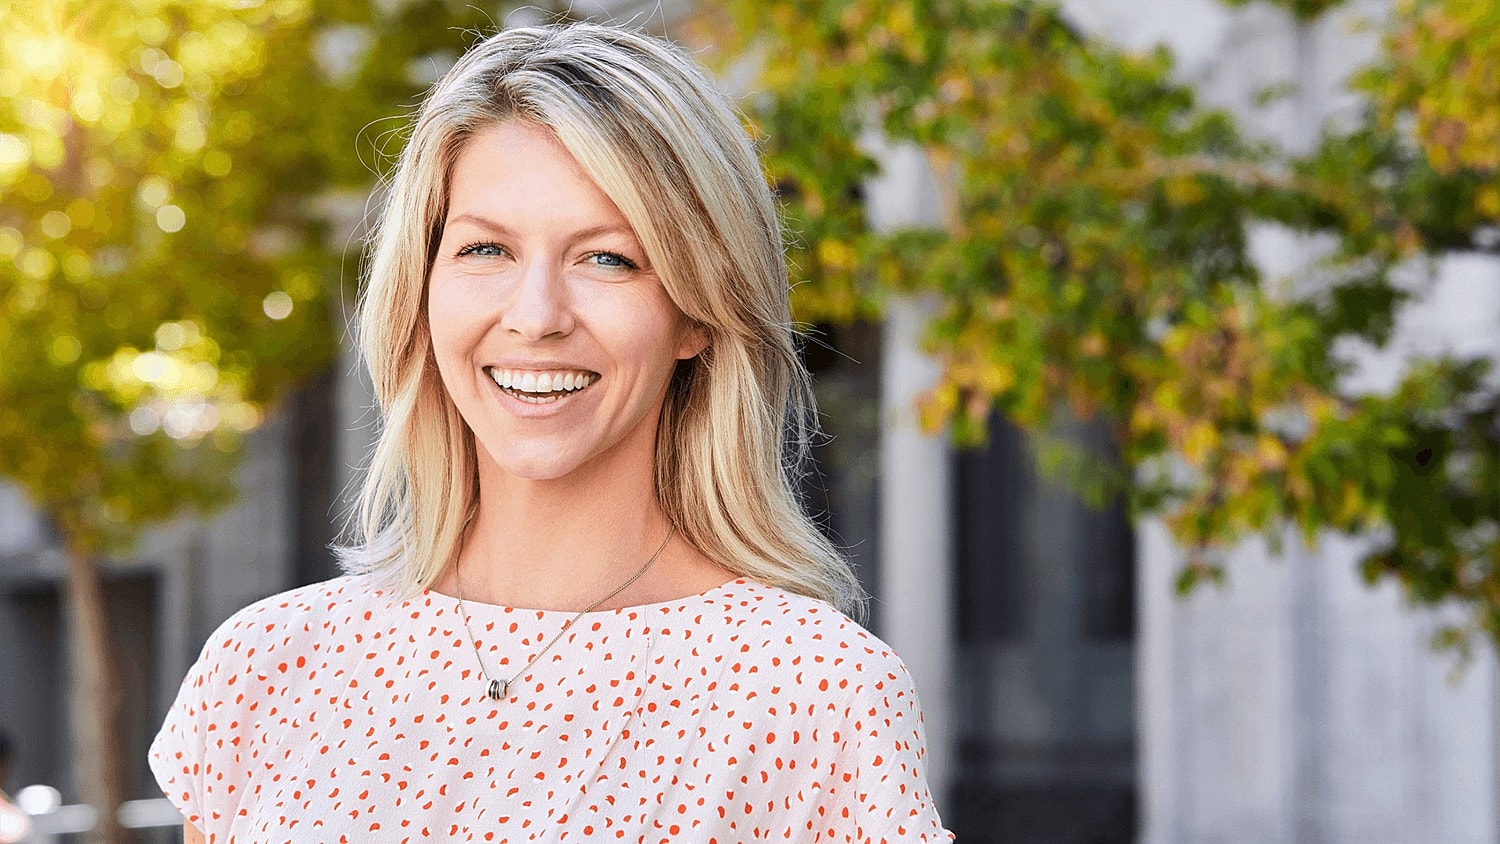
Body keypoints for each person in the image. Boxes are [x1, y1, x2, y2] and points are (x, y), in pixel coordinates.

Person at [150, 21, 952, 843]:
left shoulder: (813, 692)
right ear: (421, 291)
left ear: (699, 312)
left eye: (608, 259)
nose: (535, 318)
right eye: (486, 248)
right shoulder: (268, 668)